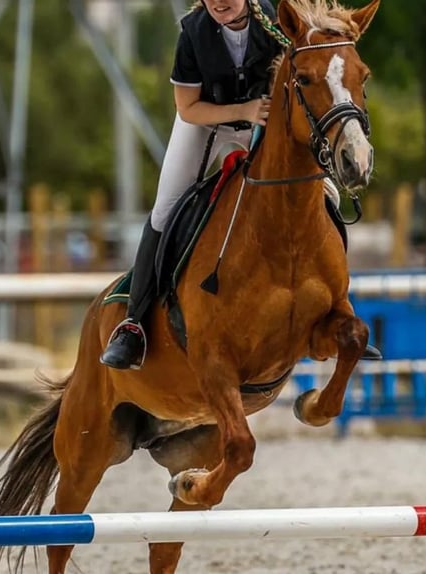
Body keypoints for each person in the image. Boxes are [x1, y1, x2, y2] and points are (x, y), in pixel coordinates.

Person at [100, 0, 288, 370]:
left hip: (263, 120)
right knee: (166, 208)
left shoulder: (277, 21)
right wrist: (243, 110)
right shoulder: (193, 31)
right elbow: (188, 108)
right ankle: (134, 324)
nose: (219, 2)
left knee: (319, 191)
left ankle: (337, 306)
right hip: (207, 120)